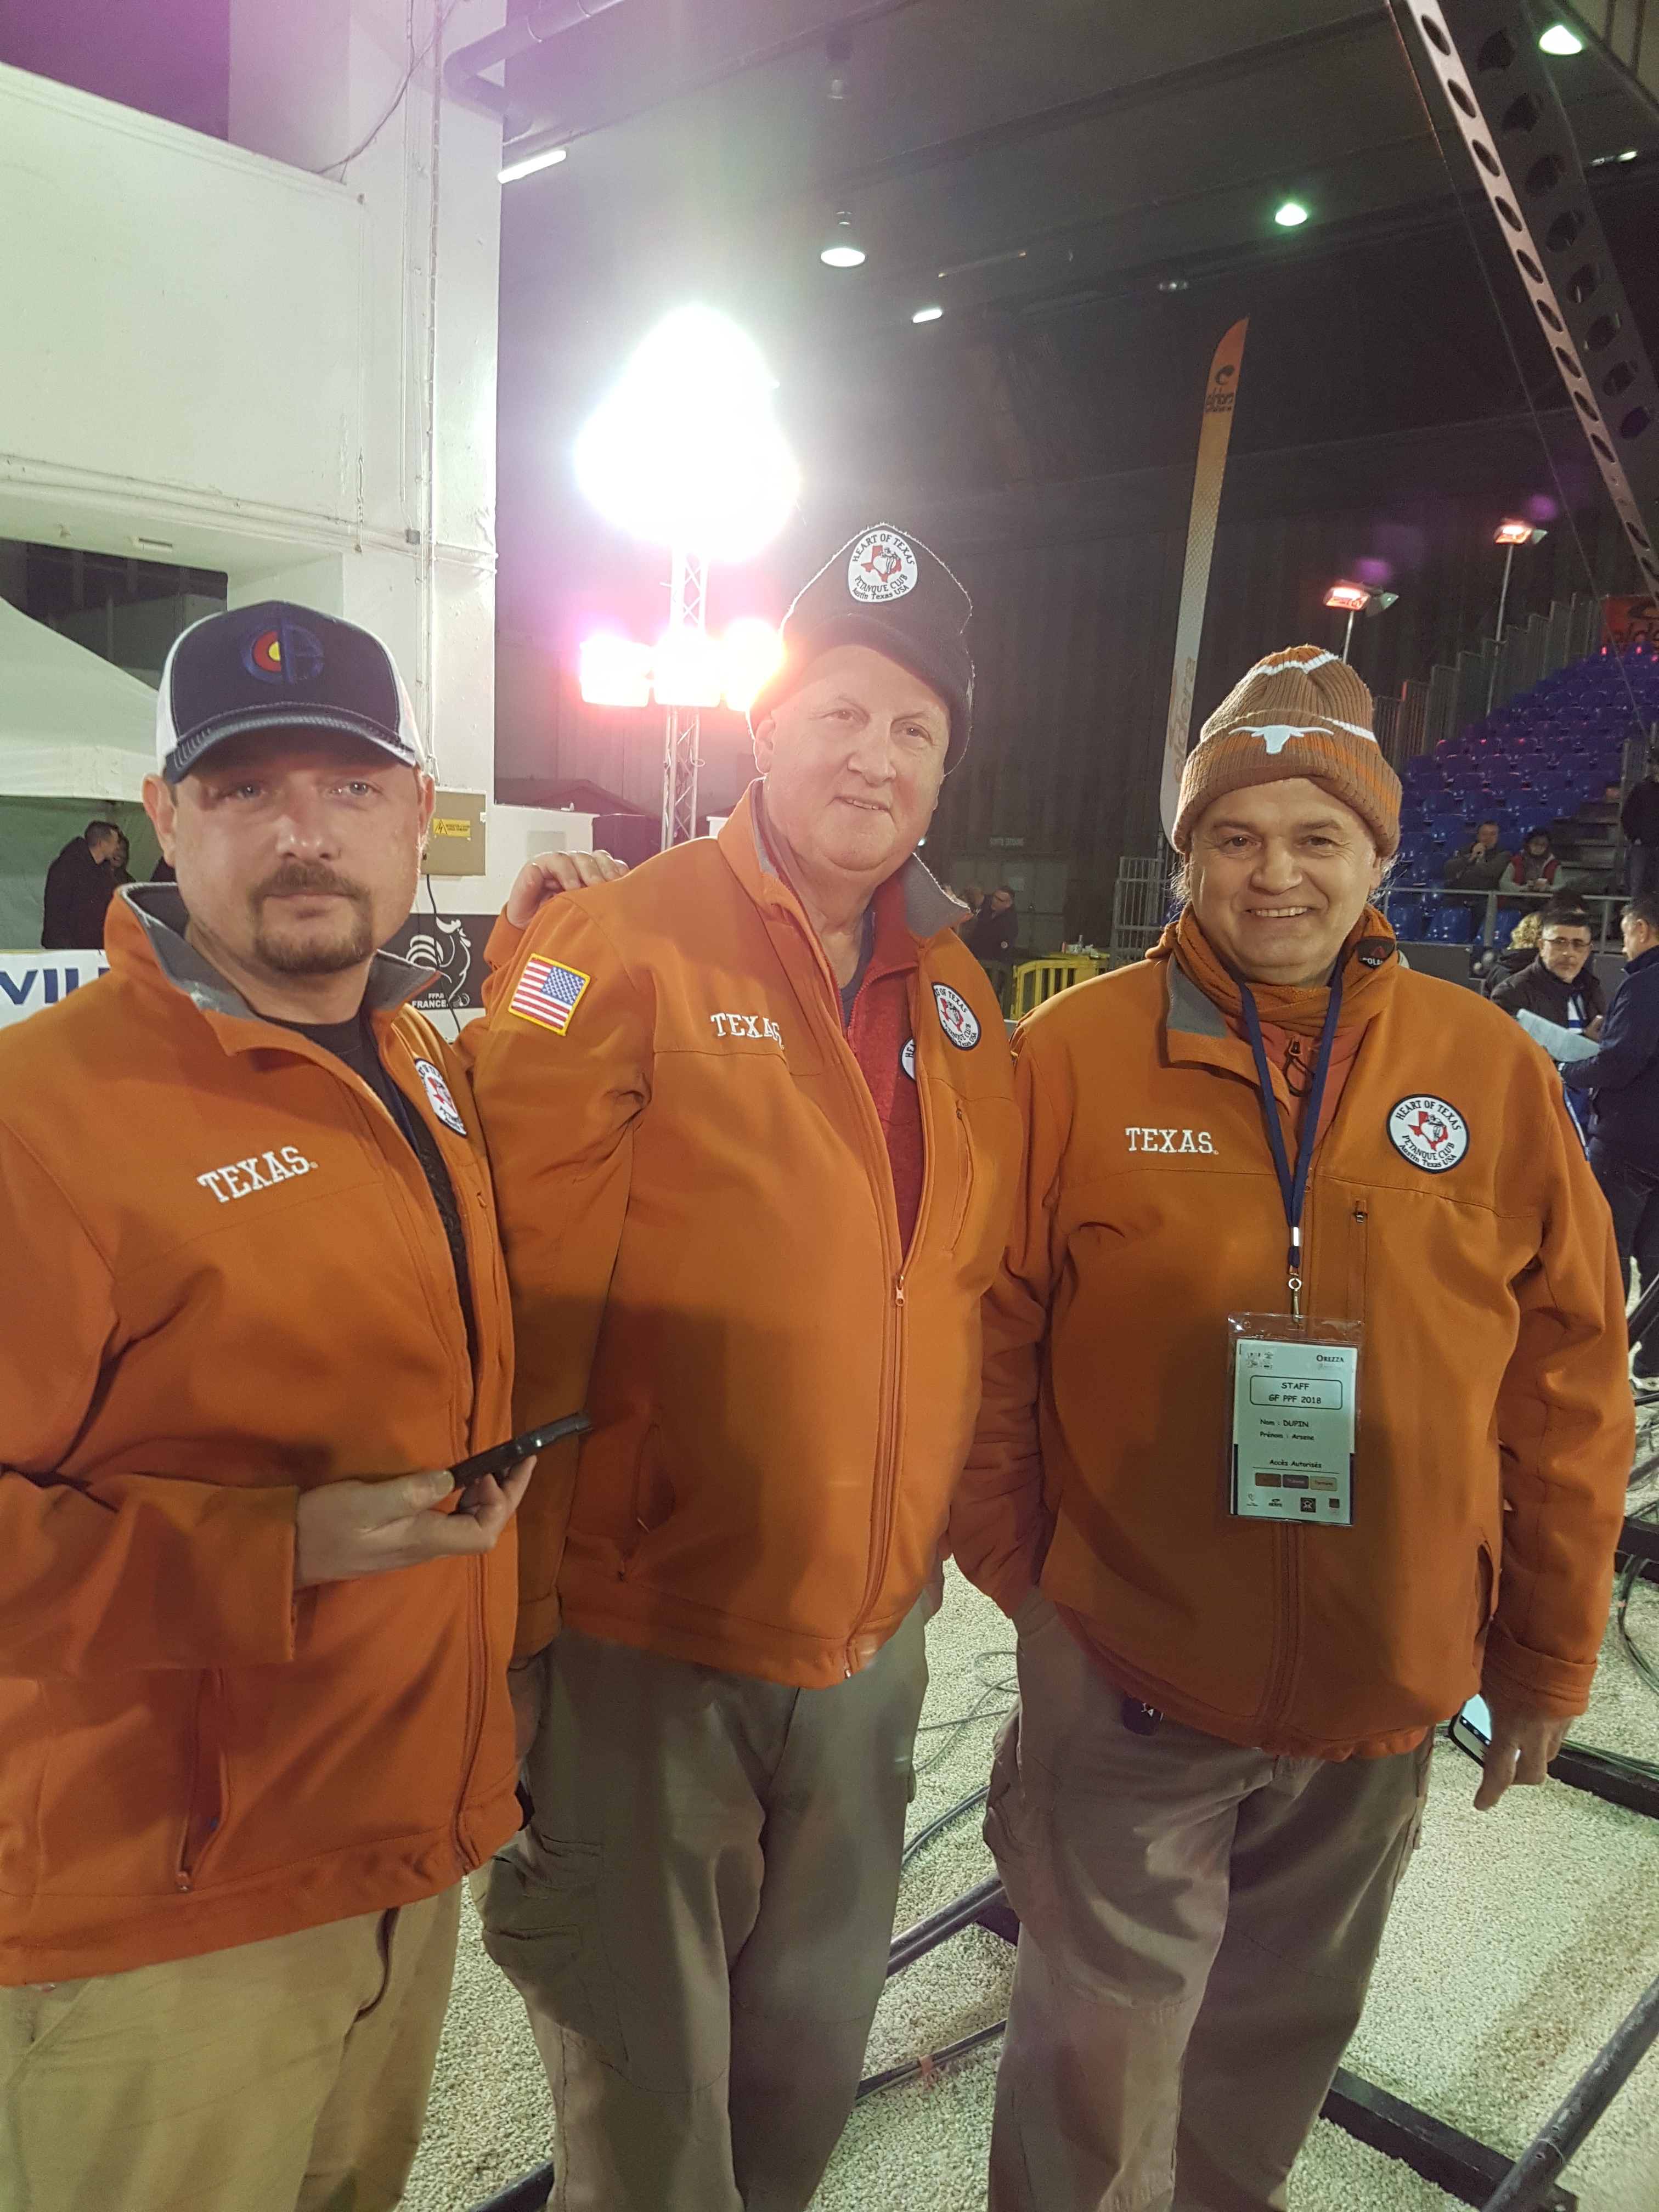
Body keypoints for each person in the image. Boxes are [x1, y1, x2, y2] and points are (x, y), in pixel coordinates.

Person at [950, 643, 1631, 2212]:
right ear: (1186, 855)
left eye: (1318, 837)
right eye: (1236, 836)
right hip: (1130, 1670)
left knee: (1271, 2050)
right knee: (1092, 2060)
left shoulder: (1485, 1071)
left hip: (1382, 1686)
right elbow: (981, 1344)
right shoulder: (1074, 1059)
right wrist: (1039, 1590)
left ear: (1380, 858)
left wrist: (1539, 1654)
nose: (1276, 875)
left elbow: (1570, 1380)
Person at [0, 601, 618, 2212]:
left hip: (392, 1863)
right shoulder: (43, 1120)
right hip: (164, 1930)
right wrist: (272, 1550)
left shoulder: (414, 1062)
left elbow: (527, 1058)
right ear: (167, 820)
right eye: (244, 789)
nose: (302, 837)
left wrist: (571, 952)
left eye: (347, 791)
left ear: (419, 817)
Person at [468, 526, 1018, 2212]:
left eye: (914, 729)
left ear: (943, 769)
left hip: (869, 1647)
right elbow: (517, 1306)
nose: (875, 755)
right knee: (651, 2095)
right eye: (841, 710)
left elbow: (972, 1294)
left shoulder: (969, 999)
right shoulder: (612, 947)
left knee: (802, 2055)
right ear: (765, 727)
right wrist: (515, 1632)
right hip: (653, 1642)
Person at [1563, 894, 1659, 1388]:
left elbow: (1620, 1064)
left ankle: (1598, 1364)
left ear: (1641, 929)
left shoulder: (1645, 984)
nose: (1622, 947)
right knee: (1656, 1258)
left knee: (1606, 1252)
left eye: (1622, 935)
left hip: (1627, 1143)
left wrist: (1564, 1070)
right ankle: (1651, 1366)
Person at [1490, 898, 1606, 1039]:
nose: (1568, 953)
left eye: (1578, 944)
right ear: (1542, 946)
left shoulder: (1592, 989)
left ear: (1588, 951)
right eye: (1560, 942)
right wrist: (1586, 1040)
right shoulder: (1512, 993)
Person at [40, 817, 122, 947]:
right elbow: (57, 911)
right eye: (115, 842)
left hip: (94, 947)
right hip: (68, 948)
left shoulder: (105, 873)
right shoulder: (66, 868)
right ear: (102, 844)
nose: (118, 847)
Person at [1622, 752, 1659, 900]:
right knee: (1637, 888)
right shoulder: (1641, 788)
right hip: (1642, 845)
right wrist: (1634, 837)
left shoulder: (1642, 788)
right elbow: (1627, 815)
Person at [1443, 818, 1510, 892]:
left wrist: (1465, 871)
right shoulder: (1467, 850)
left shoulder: (1504, 854)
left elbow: (1490, 872)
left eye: (1493, 834)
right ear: (1478, 836)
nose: (1488, 838)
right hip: (1461, 892)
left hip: (1486, 894)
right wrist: (1471, 857)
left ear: (1498, 837)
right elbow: (1449, 867)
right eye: (1485, 834)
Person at [1500, 826, 1562, 895]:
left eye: (1543, 845)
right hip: (1518, 899)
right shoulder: (1517, 861)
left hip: (1545, 901)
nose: (1539, 848)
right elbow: (1503, 883)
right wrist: (1522, 888)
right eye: (1536, 843)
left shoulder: (1554, 864)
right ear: (1528, 843)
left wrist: (1548, 889)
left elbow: (1561, 886)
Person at [968, 882, 1020, 964]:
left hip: (996, 965)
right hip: (974, 959)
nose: (995, 901)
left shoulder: (1009, 923)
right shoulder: (986, 909)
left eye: (1000, 900)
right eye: (995, 897)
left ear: (1008, 904)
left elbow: (1002, 951)